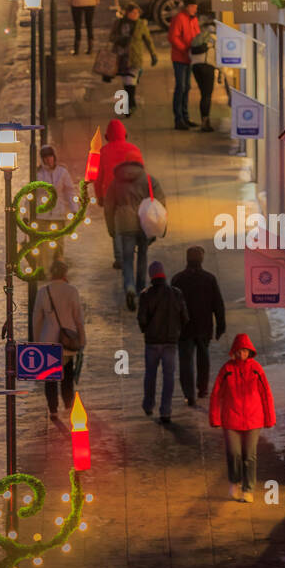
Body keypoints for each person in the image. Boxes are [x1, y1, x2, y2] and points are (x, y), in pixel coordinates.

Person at [209, 332, 276, 502]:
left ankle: (248, 489)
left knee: (249, 455)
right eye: (239, 351)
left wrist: (269, 418)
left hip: (253, 419)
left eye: (245, 351)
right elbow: (216, 394)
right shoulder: (227, 370)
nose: (242, 354)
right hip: (231, 419)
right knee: (234, 453)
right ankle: (235, 481)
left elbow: (265, 393)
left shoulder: (256, 369)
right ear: (234, 352)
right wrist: (215, 418)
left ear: (250, 351)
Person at [105, 157, 166, 311]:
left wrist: (112, 229)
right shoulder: (149, 180)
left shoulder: (116, 182)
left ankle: (129, 286)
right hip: (145, 223)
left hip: (124, 225)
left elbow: (108, 207)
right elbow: (161, 203)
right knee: (142, 256)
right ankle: (140, 289)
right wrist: (159, 226)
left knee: (127, 259)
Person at [171, 246, 226, 407]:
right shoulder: (209, 278)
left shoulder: (177, 279)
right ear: (201, 259)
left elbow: (172, 306)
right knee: (203, 357)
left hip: (184, 328)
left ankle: (189, 394)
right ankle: (202, 388)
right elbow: (218, 304)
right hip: (204, 326)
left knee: (185, 361)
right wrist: (220, 325)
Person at [32, 259, 86, 418]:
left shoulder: (43, 292)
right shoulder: (72, 291)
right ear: (64, 273)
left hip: (48, 341)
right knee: (67, 375)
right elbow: (78, 318)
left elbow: (37, 319)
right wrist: (82, 340)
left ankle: (53, 409)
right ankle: (68, 406)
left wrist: (37, 342)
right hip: (67, 340)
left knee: (50, 377)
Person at [137, 261, 188, 424]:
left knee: (150, 374)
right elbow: (185, 317)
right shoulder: (176, 293)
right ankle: (166, 411)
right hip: (170, 342)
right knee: (169, 377)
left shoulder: (146, 294)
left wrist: (146, 330)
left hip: (152, 342)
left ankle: (148, 404)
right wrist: (177, 330)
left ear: (151, 276)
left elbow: (142, 319)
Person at [106, 2, 157, 110]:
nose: (135, 15)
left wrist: (153, 54)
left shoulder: (141, 24)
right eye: (133, 12)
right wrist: (119, 39)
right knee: (126, 80)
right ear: (127, 13)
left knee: (130, 80)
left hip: (135, 56)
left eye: (137, 13)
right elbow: (111, 37)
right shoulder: (119, 23)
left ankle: (129, 103)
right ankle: (131, 102)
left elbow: (148, 40)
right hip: (121, 57)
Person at [93, 118, 143, 205]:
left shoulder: (102, 152)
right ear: (125, 135)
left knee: (111, 217)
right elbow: (141, 174)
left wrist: (99, 197)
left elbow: (98, 179)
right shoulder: (134, 149)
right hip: (130, 193)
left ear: (107, 137)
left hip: (110, 194)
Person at [168, 0, 200, 130]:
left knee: (186, 87)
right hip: (180, 58)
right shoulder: (180, 18)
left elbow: (196, 35)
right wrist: (185, 49)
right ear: (188, 7)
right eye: (193, 7)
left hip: (189, 58)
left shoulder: (193, 19)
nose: (195, 10)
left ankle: (185, 117)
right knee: (181, 87)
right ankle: (179, 118)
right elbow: (173, 37)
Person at [189, 16, 218, 131]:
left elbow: (190, 53)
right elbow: (219, 56)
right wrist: (220, 72)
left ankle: (204, 120)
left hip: (196, 67)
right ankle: (205, 123)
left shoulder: (198, 37)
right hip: (208, 66)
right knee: (207, 95)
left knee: (203, 94)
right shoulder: (215, 39)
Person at [36, 145, 77, 221]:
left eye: (50, 156)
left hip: (59, 214)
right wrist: (26, 215)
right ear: (42, 159)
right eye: (45, 157)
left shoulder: (62, 172)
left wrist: (74, 210)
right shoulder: (38, 174)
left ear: (54, 157)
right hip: (42, 216)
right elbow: (31, 194)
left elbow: (70, 192)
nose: (48, 159)